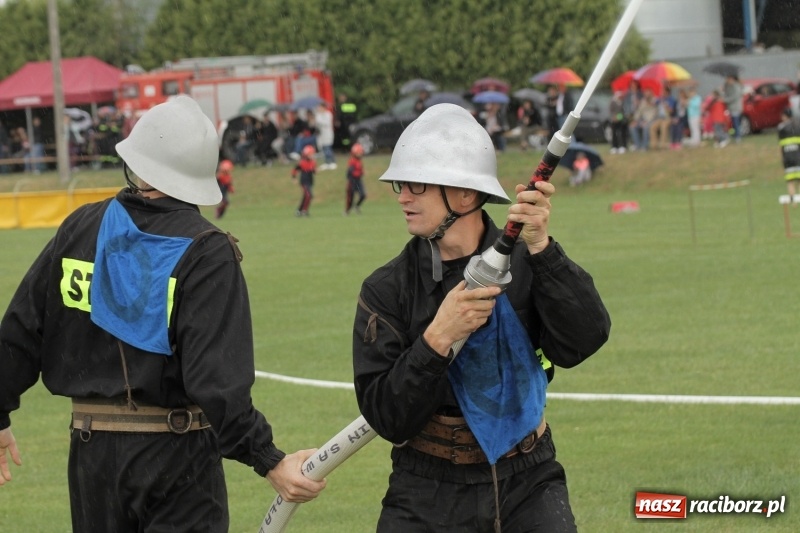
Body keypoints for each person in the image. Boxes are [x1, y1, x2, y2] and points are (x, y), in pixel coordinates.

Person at [0, 95, 326, 531]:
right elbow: (216, 382)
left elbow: (20, 332)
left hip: (91, 455)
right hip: (177, 457)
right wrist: (268, 459)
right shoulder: (207, 250)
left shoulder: (81, 226)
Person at [352, 104, 611, 533]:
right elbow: (387, 417)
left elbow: (582, 342)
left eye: (416, 184)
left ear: (466, 194)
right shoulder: (386, 289)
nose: (401, 196)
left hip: (528, 478)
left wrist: (544, 248)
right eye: (401, 183)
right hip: (425, 488)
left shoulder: (530, 262)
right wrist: (438, 338)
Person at [778, 107, 800, 204]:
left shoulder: (781, 128)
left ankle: (793, 202)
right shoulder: (797, 126)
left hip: (787, 157)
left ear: (785, 116)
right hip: (798, 156)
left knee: (790, 180)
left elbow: (781, 145)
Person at [291, 144, 316, 216]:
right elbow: (294, 170)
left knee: (306, 196)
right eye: (310, 154)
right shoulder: (302, 163)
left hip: (310, 181)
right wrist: (294, 178)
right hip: (304, 181)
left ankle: (299, 210)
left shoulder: (313, 162)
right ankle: (304, 211)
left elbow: (313, 171)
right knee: (309, 195)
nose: (312, 155)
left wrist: (315, 170)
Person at [344, 142, 366, 215]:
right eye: (358, 152)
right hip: (352, 181)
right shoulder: (352, 161)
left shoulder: (360, 161)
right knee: (351, 196)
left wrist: (362, 172)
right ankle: (347, 210)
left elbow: (361, 170)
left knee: (363, 194)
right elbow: (350, 172)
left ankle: (357, 206)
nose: (360, 154)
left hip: (358, 180)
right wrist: (359, 173)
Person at [315, 101, 336, 170]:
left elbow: (326, 123)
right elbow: (317, 123)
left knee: (328, 148)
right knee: (324, 148)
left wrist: (319, 121)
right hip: (321, 135)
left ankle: (331, 162)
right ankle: (327, 162)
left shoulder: (328, 114)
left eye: (320, 107)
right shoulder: (318, 115)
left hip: (327, 134)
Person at [722, 74, 744, 143]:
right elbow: (727, 93)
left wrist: (725, 100)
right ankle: (736, 135)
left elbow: (734, 97)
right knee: (733, 123)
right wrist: (725, 85)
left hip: (736, 108)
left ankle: (738, 136)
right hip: (731, 107)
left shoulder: (736, 86)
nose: (728, 80)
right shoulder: (728, 86)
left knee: (736, 122)